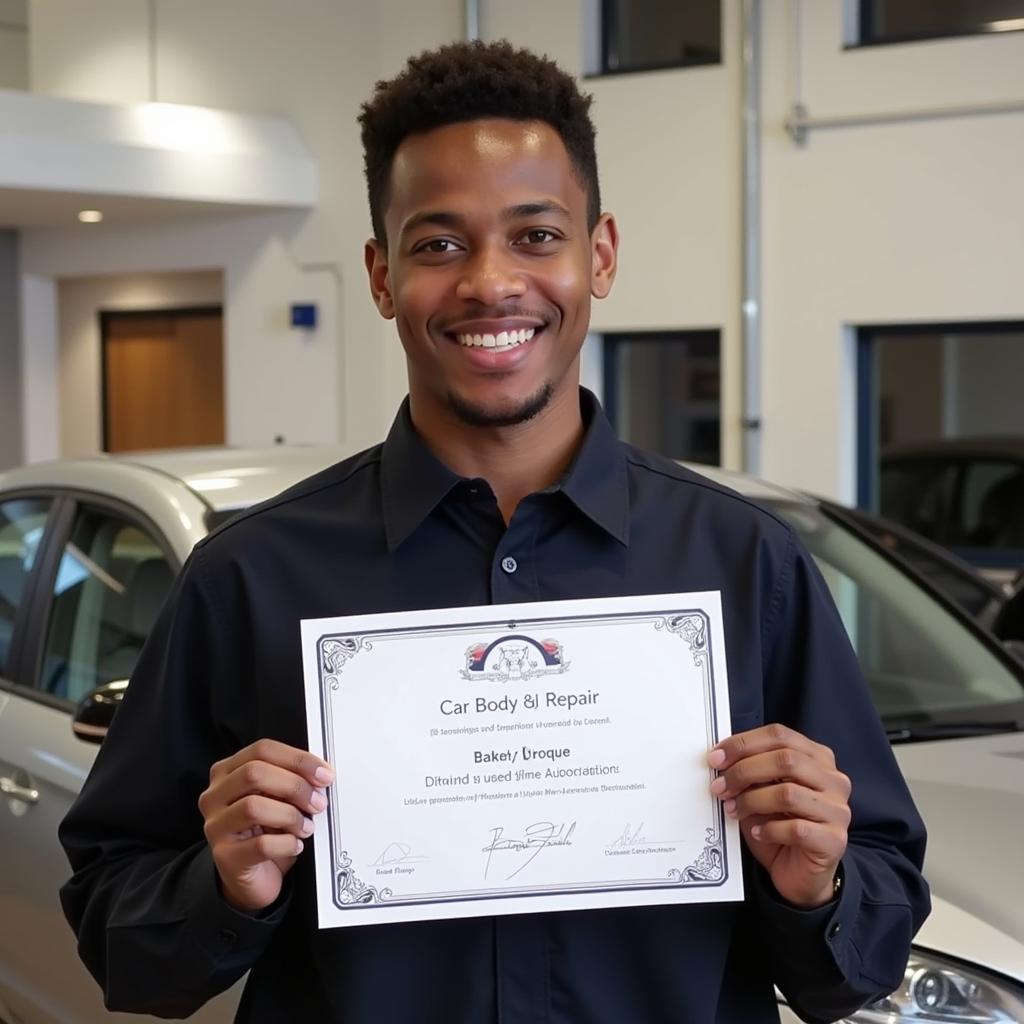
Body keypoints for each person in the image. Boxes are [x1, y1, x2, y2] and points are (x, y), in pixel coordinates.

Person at [59, 39, 929, 1024]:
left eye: (533, 236)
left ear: (597, 255)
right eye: (437, 244)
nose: (489, 282)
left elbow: (859, 961)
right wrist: (224, 884)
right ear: (381, 277)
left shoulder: (743, 563)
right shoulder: (250, 578)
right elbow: (123, 949)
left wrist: (813, 880)